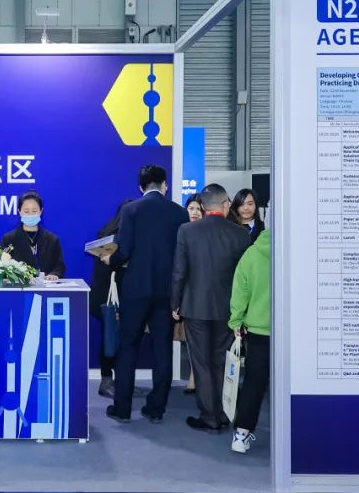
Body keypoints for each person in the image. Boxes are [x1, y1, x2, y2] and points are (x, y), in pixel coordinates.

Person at [101, 165, 189, 424]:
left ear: (141, 187)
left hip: (135, 290)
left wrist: (110, 260)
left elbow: (125, 250)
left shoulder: (131, 210)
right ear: (164, 185)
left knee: (128, 347)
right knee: (162, 349)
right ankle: (156, 409)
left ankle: (122, 408)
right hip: (166, 291)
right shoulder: (179, 212)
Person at [171, 183, 251, 433]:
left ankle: (210, 416)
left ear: (204, 207)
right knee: (222, 361)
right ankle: (224, 412)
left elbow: (179, 271)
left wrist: (175, 303)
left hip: (195, 307)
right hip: (227, 309)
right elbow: (245, 278)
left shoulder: (187, 230)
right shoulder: (240, 234)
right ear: (226, 204)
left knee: (201, 363)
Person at [228, 228, 271, 455]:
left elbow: (240, 290)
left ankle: (241, 435)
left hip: (259, 330)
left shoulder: (252, 254)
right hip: (293, 332)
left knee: (254, 383)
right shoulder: (298, 251)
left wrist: (236, 320)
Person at [89, 201, 130, 398]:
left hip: (121, 296)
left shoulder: (128, 233)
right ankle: (106, 380)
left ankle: (121, 381)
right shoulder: (110, 236)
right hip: (108, 298)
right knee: (110, 339)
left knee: (121, 341)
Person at [1, 191, 65, 281]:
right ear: (19, 212)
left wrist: (54, 274)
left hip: (46, 286)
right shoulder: (9, 239)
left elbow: (59, 266)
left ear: (41, 211)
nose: (30, 215)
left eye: (34, 211)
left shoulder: (52, 239)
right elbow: (3, 267)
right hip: (19, 286)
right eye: (26, 211)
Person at [181, 193, 203, 395]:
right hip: (184, 291)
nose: (195, 213)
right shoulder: (181, 231)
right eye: (191, 208)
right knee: (190, 338)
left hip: (203, 292)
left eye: (199, 209)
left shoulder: (207, 233)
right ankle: (194, 375)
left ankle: (195, 376)